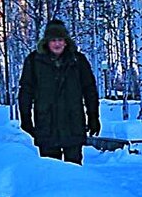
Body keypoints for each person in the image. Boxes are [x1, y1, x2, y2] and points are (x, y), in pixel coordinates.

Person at [17, 18, 100, 165]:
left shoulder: (78, 61)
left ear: (66, 41)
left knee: (74, 170)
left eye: (60, 40)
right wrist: (26, 118)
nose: (57, 44)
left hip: (73, 123)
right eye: (53, 40)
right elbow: (26, 91)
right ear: (46, 42)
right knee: (51, 172)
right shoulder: (34, 61)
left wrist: (93, 116)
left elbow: (89, 90)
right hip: (46, 124)